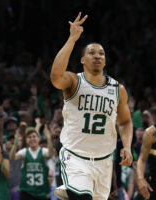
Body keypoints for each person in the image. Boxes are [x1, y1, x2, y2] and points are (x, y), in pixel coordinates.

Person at [50, 12, 133, 200]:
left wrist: (127, 146)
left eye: (101, 53)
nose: (97, 56)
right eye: (92, 53)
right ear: (82, 60)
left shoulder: (117, 89)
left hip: (104, 162)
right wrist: (72, 39)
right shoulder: (73, 81)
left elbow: (126, 122)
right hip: (76, 158)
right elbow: (55, 76)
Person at [10, 127, 54, 200]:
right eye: (29, 137)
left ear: (38, 139)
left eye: (34, 136)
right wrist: (15, 142)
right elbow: (12, 158)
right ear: (27, 140)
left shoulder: (43, 151)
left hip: (42, 192)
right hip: (27, 192)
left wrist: (49, 139)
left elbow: (50, 154)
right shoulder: (24, 152)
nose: (32, 139)